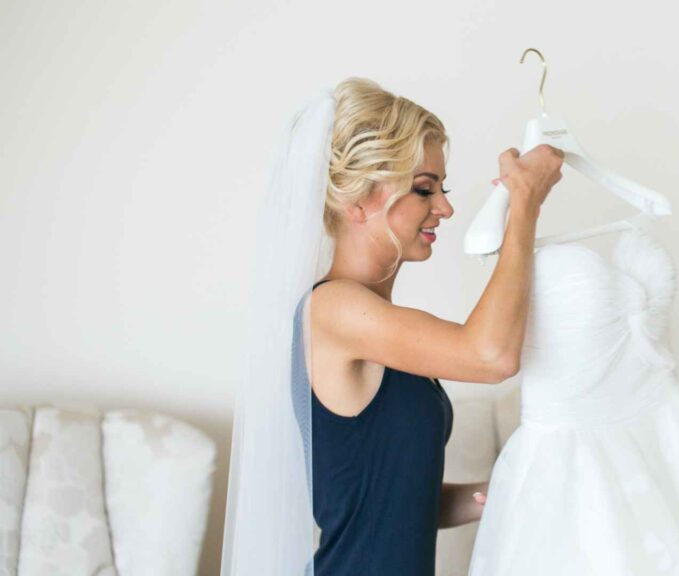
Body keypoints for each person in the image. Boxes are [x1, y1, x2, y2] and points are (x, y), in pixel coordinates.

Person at [221, 76, 564, 576]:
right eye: (424, 189)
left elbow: (390, 504)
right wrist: (524, 206)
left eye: (441, 188)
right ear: (356, 201)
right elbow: (492, 356)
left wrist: (494, 493)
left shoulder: (375, 326)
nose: (445, 207)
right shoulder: (333, 310)